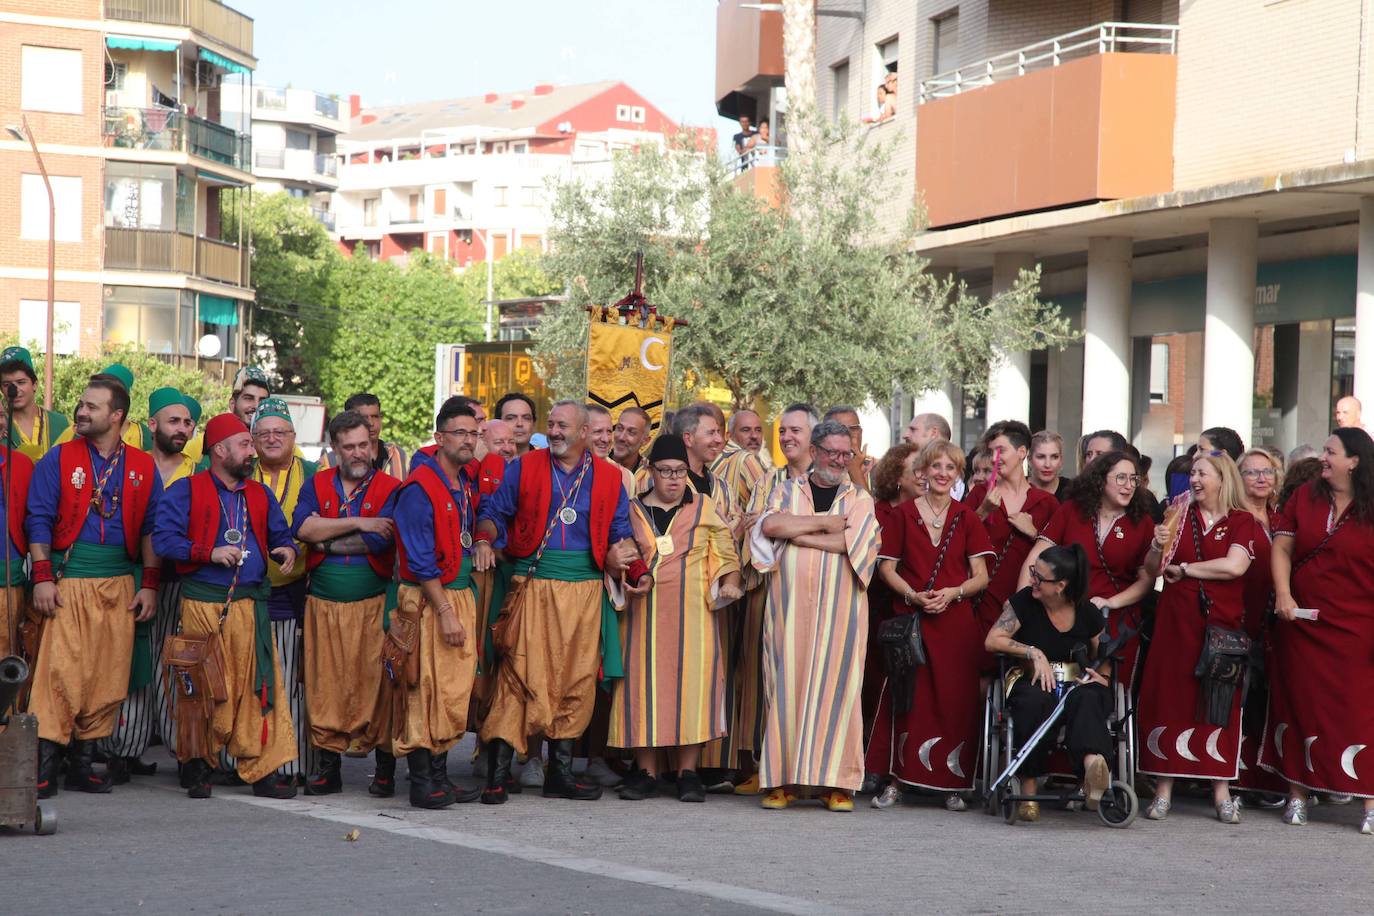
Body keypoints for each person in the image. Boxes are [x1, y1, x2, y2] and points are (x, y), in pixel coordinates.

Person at [474, 400, 647, 804]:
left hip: (585, 589)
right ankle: (498, 775)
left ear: (584, 432)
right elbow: (494, 512)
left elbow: (621, 532)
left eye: (562, 425)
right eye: (550, 424)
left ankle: (560, 773)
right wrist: (484, 538)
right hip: (534, 583)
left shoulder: (608, 477)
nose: (553, 432)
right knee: (518, 675)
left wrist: (637, 571)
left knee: (576, 679)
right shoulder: (525, 467)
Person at [27, 374, 161, 798]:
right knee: (60, 674)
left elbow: (152, 530)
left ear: (117, 415)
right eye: (81, 405)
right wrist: (43, 576)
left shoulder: (141, 465)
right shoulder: (59, 457)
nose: (81, 412)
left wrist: (150, 584)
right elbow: (38, 519)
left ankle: (84, 763)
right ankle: (44, 767)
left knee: (108, 675)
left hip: (120, 582)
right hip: (70, 579)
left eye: (92, 407)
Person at [152, 413, 299, 799]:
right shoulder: (186, 490)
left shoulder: (260, 494)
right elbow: (163, 541)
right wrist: (207, 552)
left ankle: (261, 769)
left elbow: (281, 534)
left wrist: (286, 549)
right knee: (203, 688)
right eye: (245, 444)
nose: (252, 451)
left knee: (257, 689)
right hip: (203, 607)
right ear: (220, 450)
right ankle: (198, 764)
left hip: (250, 608)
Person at [749, 418, 879, 812]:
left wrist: (795, 535)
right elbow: (769, 524)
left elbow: (856, 542)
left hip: (842, 615)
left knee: (838, 694)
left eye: (846, 453)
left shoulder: (859, 498)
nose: (840, 460)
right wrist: (822, 524)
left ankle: (836, 785)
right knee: (785, 688)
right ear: (816, 452)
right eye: (833, 452)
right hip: (788, 614)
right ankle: (781, 782)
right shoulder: (786, 490)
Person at [610, 434, 743, 802]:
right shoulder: (632, 509)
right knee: (642, 689)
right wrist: (625, 573)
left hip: (694, 618)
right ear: (650, 471)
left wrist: (730, 581)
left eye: (680, 471)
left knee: (693, 691)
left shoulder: (703, 506)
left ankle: (688, 773)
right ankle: (646, 772)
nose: (673, 479)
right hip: (642, 616)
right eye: (666, 471)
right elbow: (619, 550)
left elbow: (725, 551)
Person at [866, 440, 991, 811]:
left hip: (955, 623)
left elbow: (981, 576)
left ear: (958, 475)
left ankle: (953, 783)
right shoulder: (903, 515)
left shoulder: (966, 517)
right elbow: (886, 568)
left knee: (955, 702)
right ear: (922, 471)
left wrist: (953, 592)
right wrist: (912, 596)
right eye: (935, 466)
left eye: (950, 468)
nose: (942, 474)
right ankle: (895, 781)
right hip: (912, 620)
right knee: (906, 700)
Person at [1265, 429, 1374, 834]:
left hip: (1359, 628)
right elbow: (1281, 547)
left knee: (1360, 714)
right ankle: (1297, 795)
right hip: (1302, 623)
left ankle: (1369, 802)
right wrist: (1282, 594)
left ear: (1354, 461)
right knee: (1299, 708)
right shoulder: (1304, 497)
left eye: (1331, 452)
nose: (1323, 458)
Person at [1138, 452, 1254, 823]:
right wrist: (1158, 545)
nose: (1195, 480)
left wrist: (1186, 569)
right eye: (1192, 474)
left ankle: (1222, 789)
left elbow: (1235, 566)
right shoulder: (1177, 513)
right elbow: (1154, 569)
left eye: (1203, 473)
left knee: (1218, 701)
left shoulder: (1242, 521)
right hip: (1175, 623)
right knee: (1171, 698)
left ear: (1223, 478)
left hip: (1220, 625)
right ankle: (1163, 790)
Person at [292, 410, 401, 797]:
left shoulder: (390, 487)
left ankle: (384, 768)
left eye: (364, 445)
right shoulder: (317, 482)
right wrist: (360, 522)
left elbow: (382, 540)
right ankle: (327, 767)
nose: (358, 453)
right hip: (323, 604)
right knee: (326, 684)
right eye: (349, 446)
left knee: (378, 684)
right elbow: (303, 528)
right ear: (334, 448)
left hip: (373, 603)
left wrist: (328, 538)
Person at [387, 400, 486, 808]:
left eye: (473, 433)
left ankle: (441, 776)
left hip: (458, 594)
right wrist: (445, 611)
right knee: (424, 688)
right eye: (460, 433)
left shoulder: (462, 483)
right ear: (439, 437)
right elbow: (420, 556)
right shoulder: (419, 488)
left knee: (451, 689)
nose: (468, 440)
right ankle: (423, 782)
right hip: (431, 600)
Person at [101, 387, 197, 783]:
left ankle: (185, 751)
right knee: (132, 660)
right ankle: (125, 747)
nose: (182, 429)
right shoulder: (131, 464)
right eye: (173, 421)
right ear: (152, 422)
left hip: (183, 582)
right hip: (133, 576)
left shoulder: (202, 467)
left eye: (189, 423)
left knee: (175, 665)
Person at [985, 545, 1115, 822]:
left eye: (1039, 577)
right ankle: (1029, 787)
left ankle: (1094, 768)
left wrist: (1100, 675)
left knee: (1089, 697)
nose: (1032, 580)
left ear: (1060, 586)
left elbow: (1105, 653)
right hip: (1032, 677)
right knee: (1033, 701)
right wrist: (1032, 651)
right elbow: (993, 639)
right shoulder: (1024, 602)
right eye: (1033, 573)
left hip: (1075, 680)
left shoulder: (1086, 611)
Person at [730, 403, 818, 796]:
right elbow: (755, 530)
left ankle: (811, 769)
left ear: (814, 435)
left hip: (816, 595)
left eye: (795, 431)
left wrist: (780, 526)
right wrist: (771, 526)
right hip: (768, 589)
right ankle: (766, 765)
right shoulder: (770, 478)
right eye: (782, 431)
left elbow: (771, 524)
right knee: (765, 677)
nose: (787, 438)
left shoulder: (828, 480)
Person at [1020, 451, 1156, 689]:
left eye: (1133, 479)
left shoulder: (1142, 521)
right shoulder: (1072, 510)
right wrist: (1021, 602)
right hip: (1066, 612)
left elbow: (1147, 580)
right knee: (1054, 685)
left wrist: (1111, 602)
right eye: (1121, 478)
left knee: (1108, 689)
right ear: (1101, 479)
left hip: (1116, 617)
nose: (1129, 485)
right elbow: (1037, 556)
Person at [250, 397, 319, 786]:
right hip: (248, 591)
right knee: (252, 680)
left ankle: (293, 764)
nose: (272, 439)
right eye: (264, 433)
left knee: (292, 682)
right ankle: (248, 757)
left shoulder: (313, 474)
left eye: (280, 432)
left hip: (296, 591)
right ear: (253, 439)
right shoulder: (242, 472)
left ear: (294, 437)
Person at [968, 421, 1059, 646]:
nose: (994, 458)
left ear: (1021, 452)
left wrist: (1034, 533)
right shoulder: (980, 494)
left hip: (1030, 598)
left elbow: (1060, 556)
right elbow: (957, 540)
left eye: (1000, 451)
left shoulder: (1047, 503)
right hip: (983, 596)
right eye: (991, 453)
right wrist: (982, 512)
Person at [860, 442, 920, 772]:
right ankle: (870, 760)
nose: (924, 476)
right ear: (898, 477)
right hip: (876, 608)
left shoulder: (929, 512)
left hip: (910, 611)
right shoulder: (877, 511)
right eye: (917, 470)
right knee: (872, 686)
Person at [1233, 448, 1288, 802]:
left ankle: (1267, 779)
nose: (1261, 478)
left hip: (1276, 623)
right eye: (1252, 473)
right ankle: (1236, 777)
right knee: (1237, 699)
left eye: (1267, 472)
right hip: (1238, 620)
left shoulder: (1282, 519)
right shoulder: (1233, 518)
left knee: (1266, 700)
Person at [0, 345, 72, 460]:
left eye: (21, 382)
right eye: (7, 385)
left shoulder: (64, 425)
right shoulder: (1, 425)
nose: (14, 390)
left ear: (35, 384)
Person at [0, 414, 33, 660]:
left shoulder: (21, 464)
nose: (1, 421)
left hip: (9, 584)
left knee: (7, 660)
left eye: (2, 414)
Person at [323, 393, 409, 478]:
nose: (371, 423)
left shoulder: (398, 455)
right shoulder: (326, 463)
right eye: (363, 418)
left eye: (375, 416)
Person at [823, 405, 874, 493]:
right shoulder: (818, 472)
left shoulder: (879, 470)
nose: (848, 435)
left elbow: (870, 506)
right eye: (840, 429)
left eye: (854, 429)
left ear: (861, 432)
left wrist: (855, 470)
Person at [1029, 430, 1071, 501]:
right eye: (1041, 457)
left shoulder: (1072, 490)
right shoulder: (1017, 489)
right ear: (1029, 460)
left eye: (1054, 457)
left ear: (1061, 460)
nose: (1047, 464)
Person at [494, 392, 537, 458]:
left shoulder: (548, 465)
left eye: (526, 418)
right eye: (511, 418)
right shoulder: (484, 465)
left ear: (533, 425)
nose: (520, 424)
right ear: (497, 424)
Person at [611, 406, 651, 474]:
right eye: (620, 428)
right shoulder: (593, 466)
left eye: (631, 432)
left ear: (645, 440)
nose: (621, 437)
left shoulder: (651, 476)